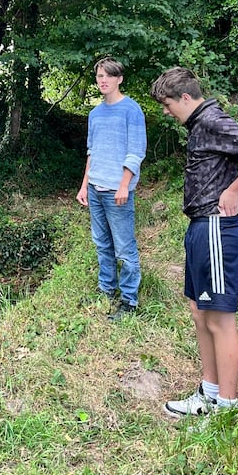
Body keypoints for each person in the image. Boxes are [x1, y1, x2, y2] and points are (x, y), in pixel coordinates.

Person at [150, 67, 238, 417]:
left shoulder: (212, 120)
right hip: (200, 227)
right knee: (199, 312)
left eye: (167, 104)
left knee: (220, 319)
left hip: (218, 229)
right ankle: (208, 394)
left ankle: (227, 409)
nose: (166, 112)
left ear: (185, 97)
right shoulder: (199, 124)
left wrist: (234, 190)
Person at [76, 58, 146, 321]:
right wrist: (84, 185)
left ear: (119, 79)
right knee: (101, 243)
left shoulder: (132, 110)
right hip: (95, 188)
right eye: (99, 76)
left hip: (117, 191)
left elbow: (136, 151)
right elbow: (91, 152)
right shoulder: (95, 114)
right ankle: (106, 290)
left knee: (124, 248)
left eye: (108, 75)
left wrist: (124, 185)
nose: (103, 80)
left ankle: (129, 301)